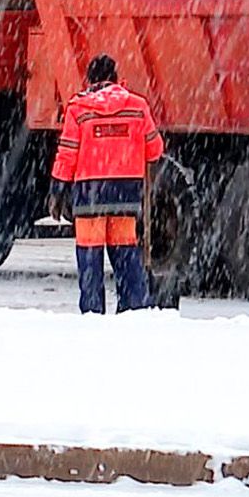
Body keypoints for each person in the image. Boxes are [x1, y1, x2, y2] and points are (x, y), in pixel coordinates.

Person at [50, 54, 165, 314]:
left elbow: (67, 153)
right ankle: (134, 306)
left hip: (90, 194)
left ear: (89, 80)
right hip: (125, 193)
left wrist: (57, 189)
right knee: (126, 254)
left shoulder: (78, 109)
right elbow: (155, 149)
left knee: (90, 258)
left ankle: (92, 312)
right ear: (116, 77)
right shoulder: (137, 106)